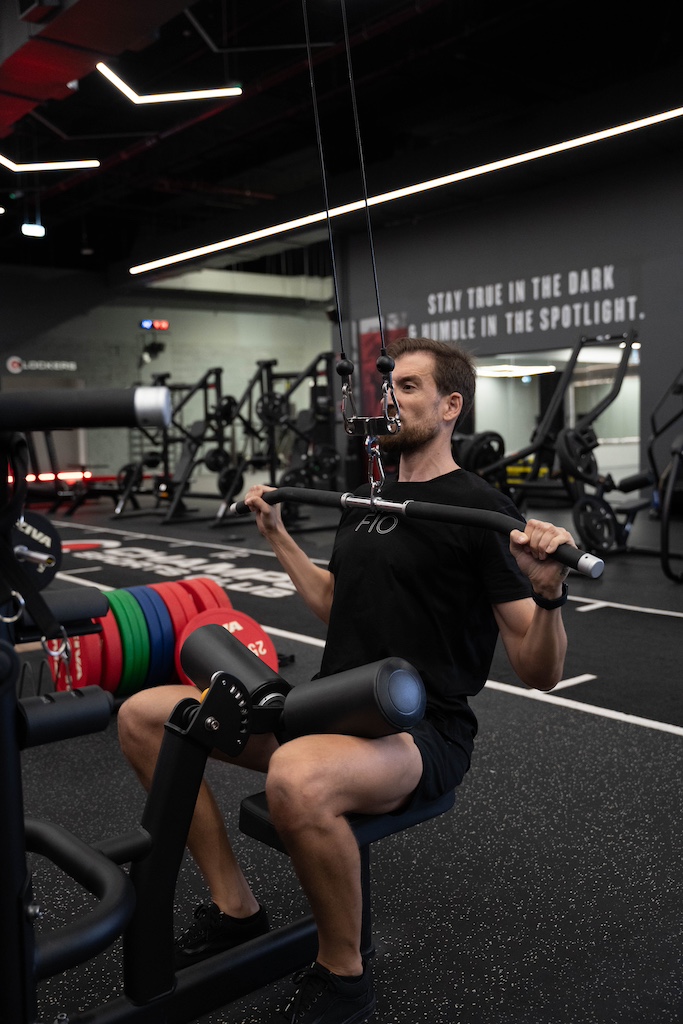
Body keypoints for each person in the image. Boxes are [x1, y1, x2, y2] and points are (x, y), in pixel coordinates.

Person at [117, 335, 576, 1024]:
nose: (390, 397)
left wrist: (546, 594)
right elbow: (337, 604)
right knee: (148, 715)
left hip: (419, 728)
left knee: (297, 777)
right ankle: (235, 907)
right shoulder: (367, 500)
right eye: (389, 387)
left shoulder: (480, 513)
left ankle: (343, 972)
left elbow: (540, 671)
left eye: (411, 387)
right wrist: (277, 536)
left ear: (451, 406)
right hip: (328, 706)